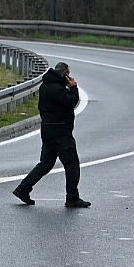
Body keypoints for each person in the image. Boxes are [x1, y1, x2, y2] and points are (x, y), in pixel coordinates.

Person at [13, 62, 90, 208]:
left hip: (48, 131)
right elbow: (71, 102)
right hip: (61, 132)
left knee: (46, 164)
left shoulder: (45, 86)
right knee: (72, 163)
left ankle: (23, 189)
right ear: (65, 74)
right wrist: (73, 88)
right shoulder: (57, 89)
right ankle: (72, 197)